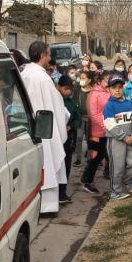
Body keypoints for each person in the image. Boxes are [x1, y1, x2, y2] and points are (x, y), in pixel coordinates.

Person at [20, 41, 68, 213]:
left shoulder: (24, 74)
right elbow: (55, 106)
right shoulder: (43, 78)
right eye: (48, 54)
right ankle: (47, 207)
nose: (50, 58)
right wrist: (64, 118)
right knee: (47, 163)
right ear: (42, 56)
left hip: (27, 129)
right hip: (45, 129)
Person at [103, 73, 132, 200]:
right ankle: (116, 191)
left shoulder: (129, 103)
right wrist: (124, 137)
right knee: (117, 166)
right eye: (114, 87)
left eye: (120, 87)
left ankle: (127, 181)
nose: (117, 90)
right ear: (109, 89)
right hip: (116, 141)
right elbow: (110, 125)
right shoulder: (109, 105)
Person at [81, 70, 111, 194]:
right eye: (107, 81)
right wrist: (106, 126)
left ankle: (86, 178)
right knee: (95, 157)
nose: (109, 83)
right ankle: (87, 182)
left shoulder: (108, 92)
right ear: (100, 81)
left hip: (106, 131)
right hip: (96, 132)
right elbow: (94, 114)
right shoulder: (94, 94)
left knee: (101, 155)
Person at [57, 75, 80, 204]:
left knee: (66, 166)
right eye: (65, 89)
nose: (68, 92)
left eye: (70, 89)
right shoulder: (55, 100)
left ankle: (62, 193)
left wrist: (70, 126)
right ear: (58, 87)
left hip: (69, 139)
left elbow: (77, 119)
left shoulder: (71, 103)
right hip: (56, 140)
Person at [73, 70, 92, 167]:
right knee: (79, 138)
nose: (81, 80)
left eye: (84, 78)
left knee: (89, 139)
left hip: (90, 119)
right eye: (81, 78)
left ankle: (89, 158)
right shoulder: (78, 90)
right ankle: (78, 159)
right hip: (80, 118)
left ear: (89, 80)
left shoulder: (93, 91)